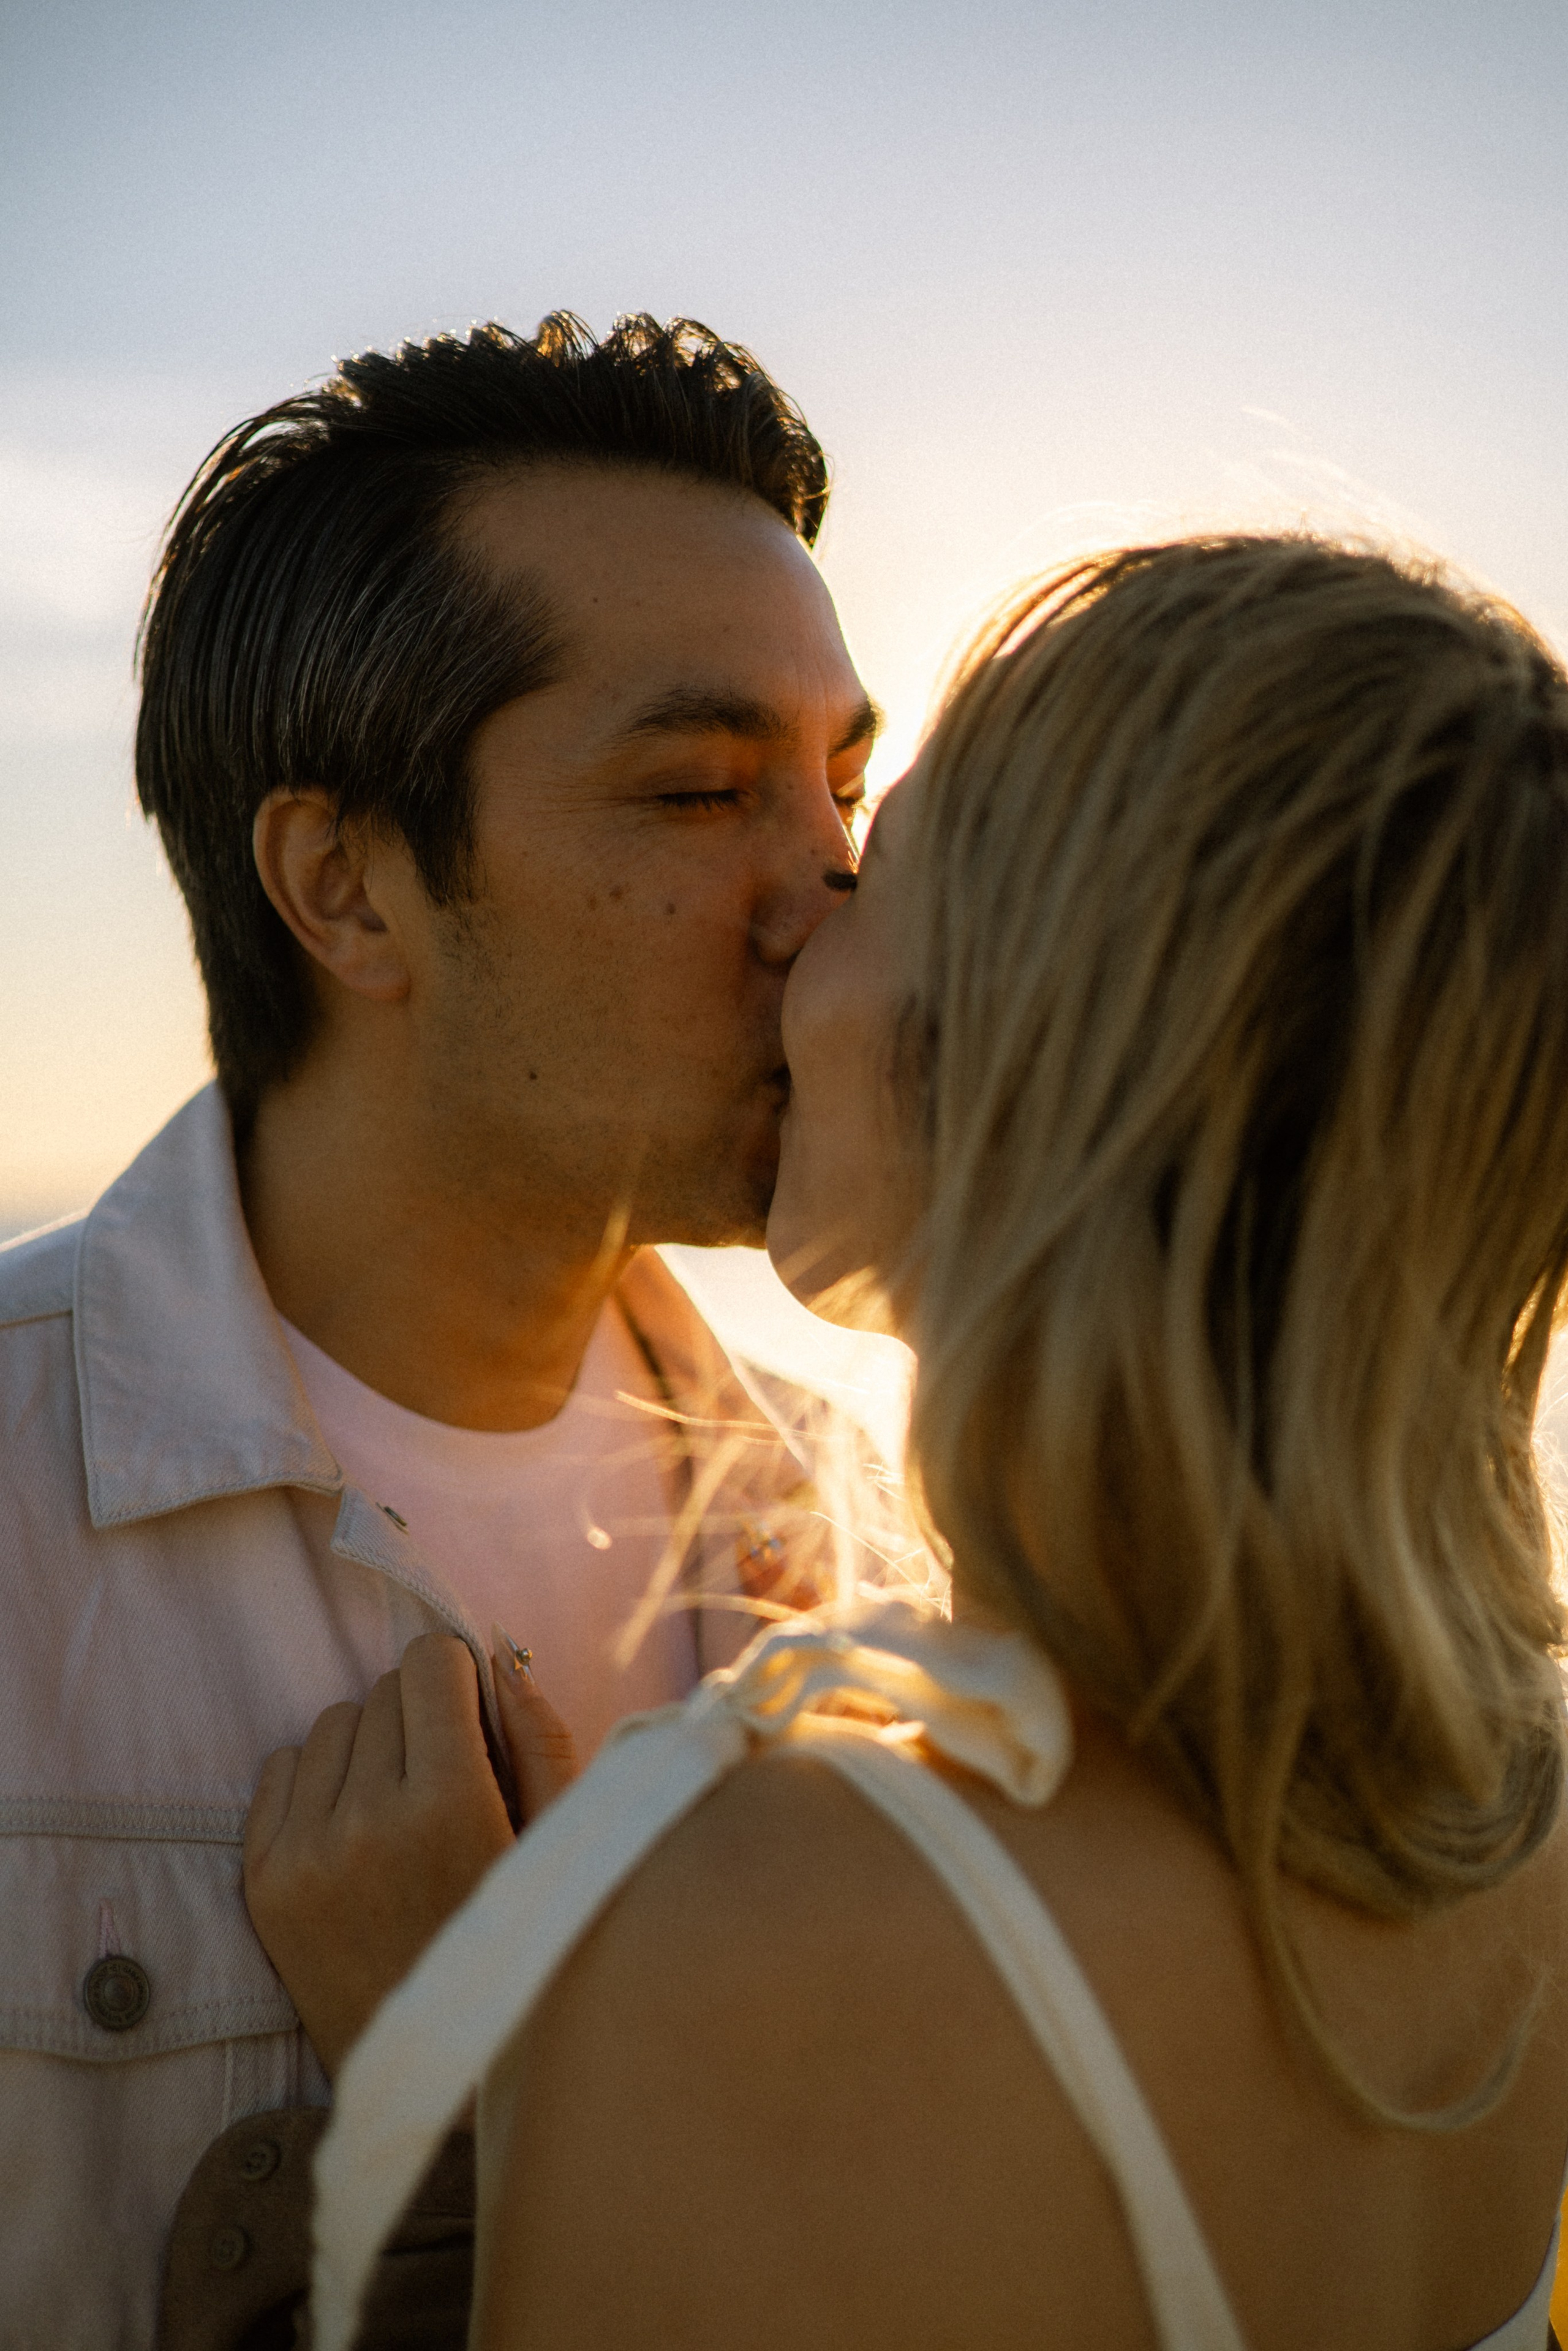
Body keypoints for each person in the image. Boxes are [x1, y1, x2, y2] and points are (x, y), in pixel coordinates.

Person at [251, 536, 1568, 2350]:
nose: (802, 911)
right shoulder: (1517, 1838)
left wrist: (489, 2075)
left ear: (1021, 1050)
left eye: (877, 863)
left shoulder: (779, 1926)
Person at [0, 312, 897, 2351]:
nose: (831, 891)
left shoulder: (862, 1548)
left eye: (844, 785)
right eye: (696, 795)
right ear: (348, 889)